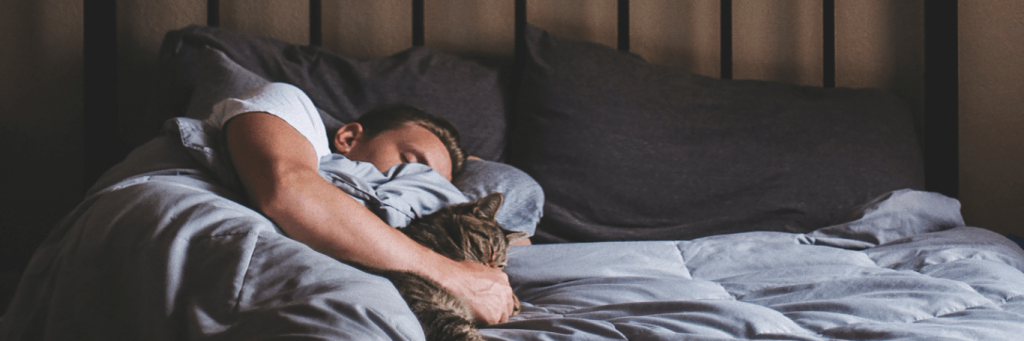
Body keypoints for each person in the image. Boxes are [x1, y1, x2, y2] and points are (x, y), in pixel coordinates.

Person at [214, 82, 517, 324]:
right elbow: (288, 188)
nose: (419, 184)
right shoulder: (290, 106)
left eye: (435, 184)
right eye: (410, 162)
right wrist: (452, 276)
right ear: (348, 137)